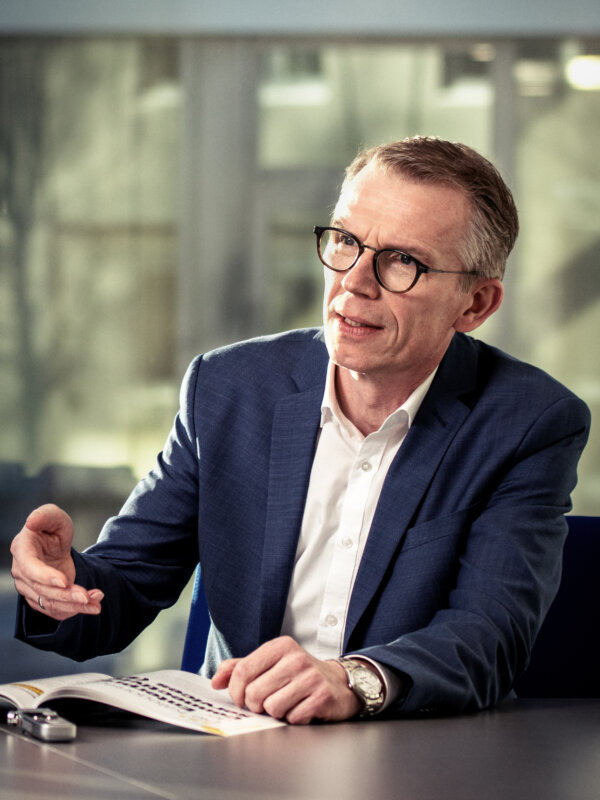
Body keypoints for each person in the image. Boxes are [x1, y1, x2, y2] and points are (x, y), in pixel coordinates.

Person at [11, 136, 590, 724]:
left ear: (475, 305)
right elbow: (122, 590)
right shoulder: (229, 388)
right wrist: (59, 585)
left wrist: (353, 681)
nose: (354, 282)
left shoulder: (528, 423)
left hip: (412, 753)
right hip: (232, 744)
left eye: (402, 261)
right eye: (346, 241)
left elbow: (488, 638)